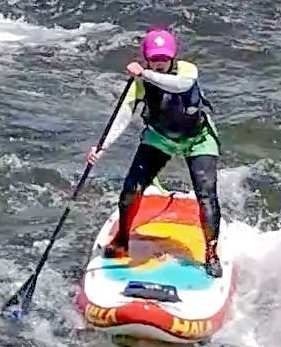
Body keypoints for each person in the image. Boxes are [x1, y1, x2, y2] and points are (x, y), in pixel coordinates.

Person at [87, 27, 222, 271]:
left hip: (198, 138)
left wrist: (146, 75)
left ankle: (211, 254)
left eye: (163, 59)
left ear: (172, 58)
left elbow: (180, 86)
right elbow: (123, 115)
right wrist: (102, 146)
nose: (159, 65)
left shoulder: (186, 71)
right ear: (147, 59)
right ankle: (122, 240)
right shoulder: (139, 82)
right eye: (154, 60)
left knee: (206, 196)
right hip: (159, 137)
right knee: (131, 190)